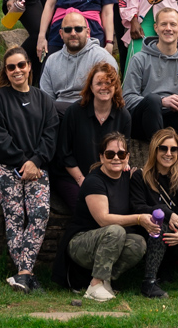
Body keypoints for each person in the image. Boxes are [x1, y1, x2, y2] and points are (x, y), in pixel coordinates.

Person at [0, 45, 58, 292]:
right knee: (15, 217)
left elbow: (50, 136)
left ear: (29, 66)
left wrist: (35, 162)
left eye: (21, 65)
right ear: (6, 71)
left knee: (40, 213)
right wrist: (22, 162)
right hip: (5, 167)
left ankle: (23, 274)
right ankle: (27, 274)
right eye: (11, 67)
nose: (17, 70)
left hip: (37, 167)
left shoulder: (44, 99)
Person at [122, 2, 178, 161]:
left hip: (174, 118)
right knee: (153, 99)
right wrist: (162, 101)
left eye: (173, 24)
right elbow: (127, 98)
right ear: (156, 28)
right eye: (163, 24)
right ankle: (158, 160)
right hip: (144, 120)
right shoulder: (139, 59)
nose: (168, 28)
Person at [71, 133, 154, 303]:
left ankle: (105, 281)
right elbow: (103, 220)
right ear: (101, 157)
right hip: (81, 242)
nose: (116, 158)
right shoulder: (94, 181)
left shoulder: (127, 176)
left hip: (110, 240)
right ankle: (95, 285)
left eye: (121, 154)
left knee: (138, 243)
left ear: (127, 157)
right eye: (110, 154)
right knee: (115, 230)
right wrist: (138, 219)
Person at [130, 128, 178, 297]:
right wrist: (166, 212)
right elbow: (137, 207)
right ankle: (149, 282)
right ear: (154, 149)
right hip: (148, 231)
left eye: (174, 149)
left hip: (176, 234)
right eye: (163, 148)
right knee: (159, 226)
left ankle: (165, 265)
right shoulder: (140, 177)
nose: (168, 153)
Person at [56, 58, 131, 216]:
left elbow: (124, 150)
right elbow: (64, 153)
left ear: (116, 86)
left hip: (107, 178)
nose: (104, 87)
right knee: (88, 212)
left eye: (109, 83)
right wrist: (81, 179)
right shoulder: (74, 112)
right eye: (99, 83)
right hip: (73, 176)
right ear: (90, 86)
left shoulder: (123, 116)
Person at [39, 14, 113, 111]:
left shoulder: (102, 58)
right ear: (61, 34)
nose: (73, 33)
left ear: (87, 32)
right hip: (57, 113)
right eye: (68, 30)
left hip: (90, 111)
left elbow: (108, 94)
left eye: (78, 29)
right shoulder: (52, 60)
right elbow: (46, 98)